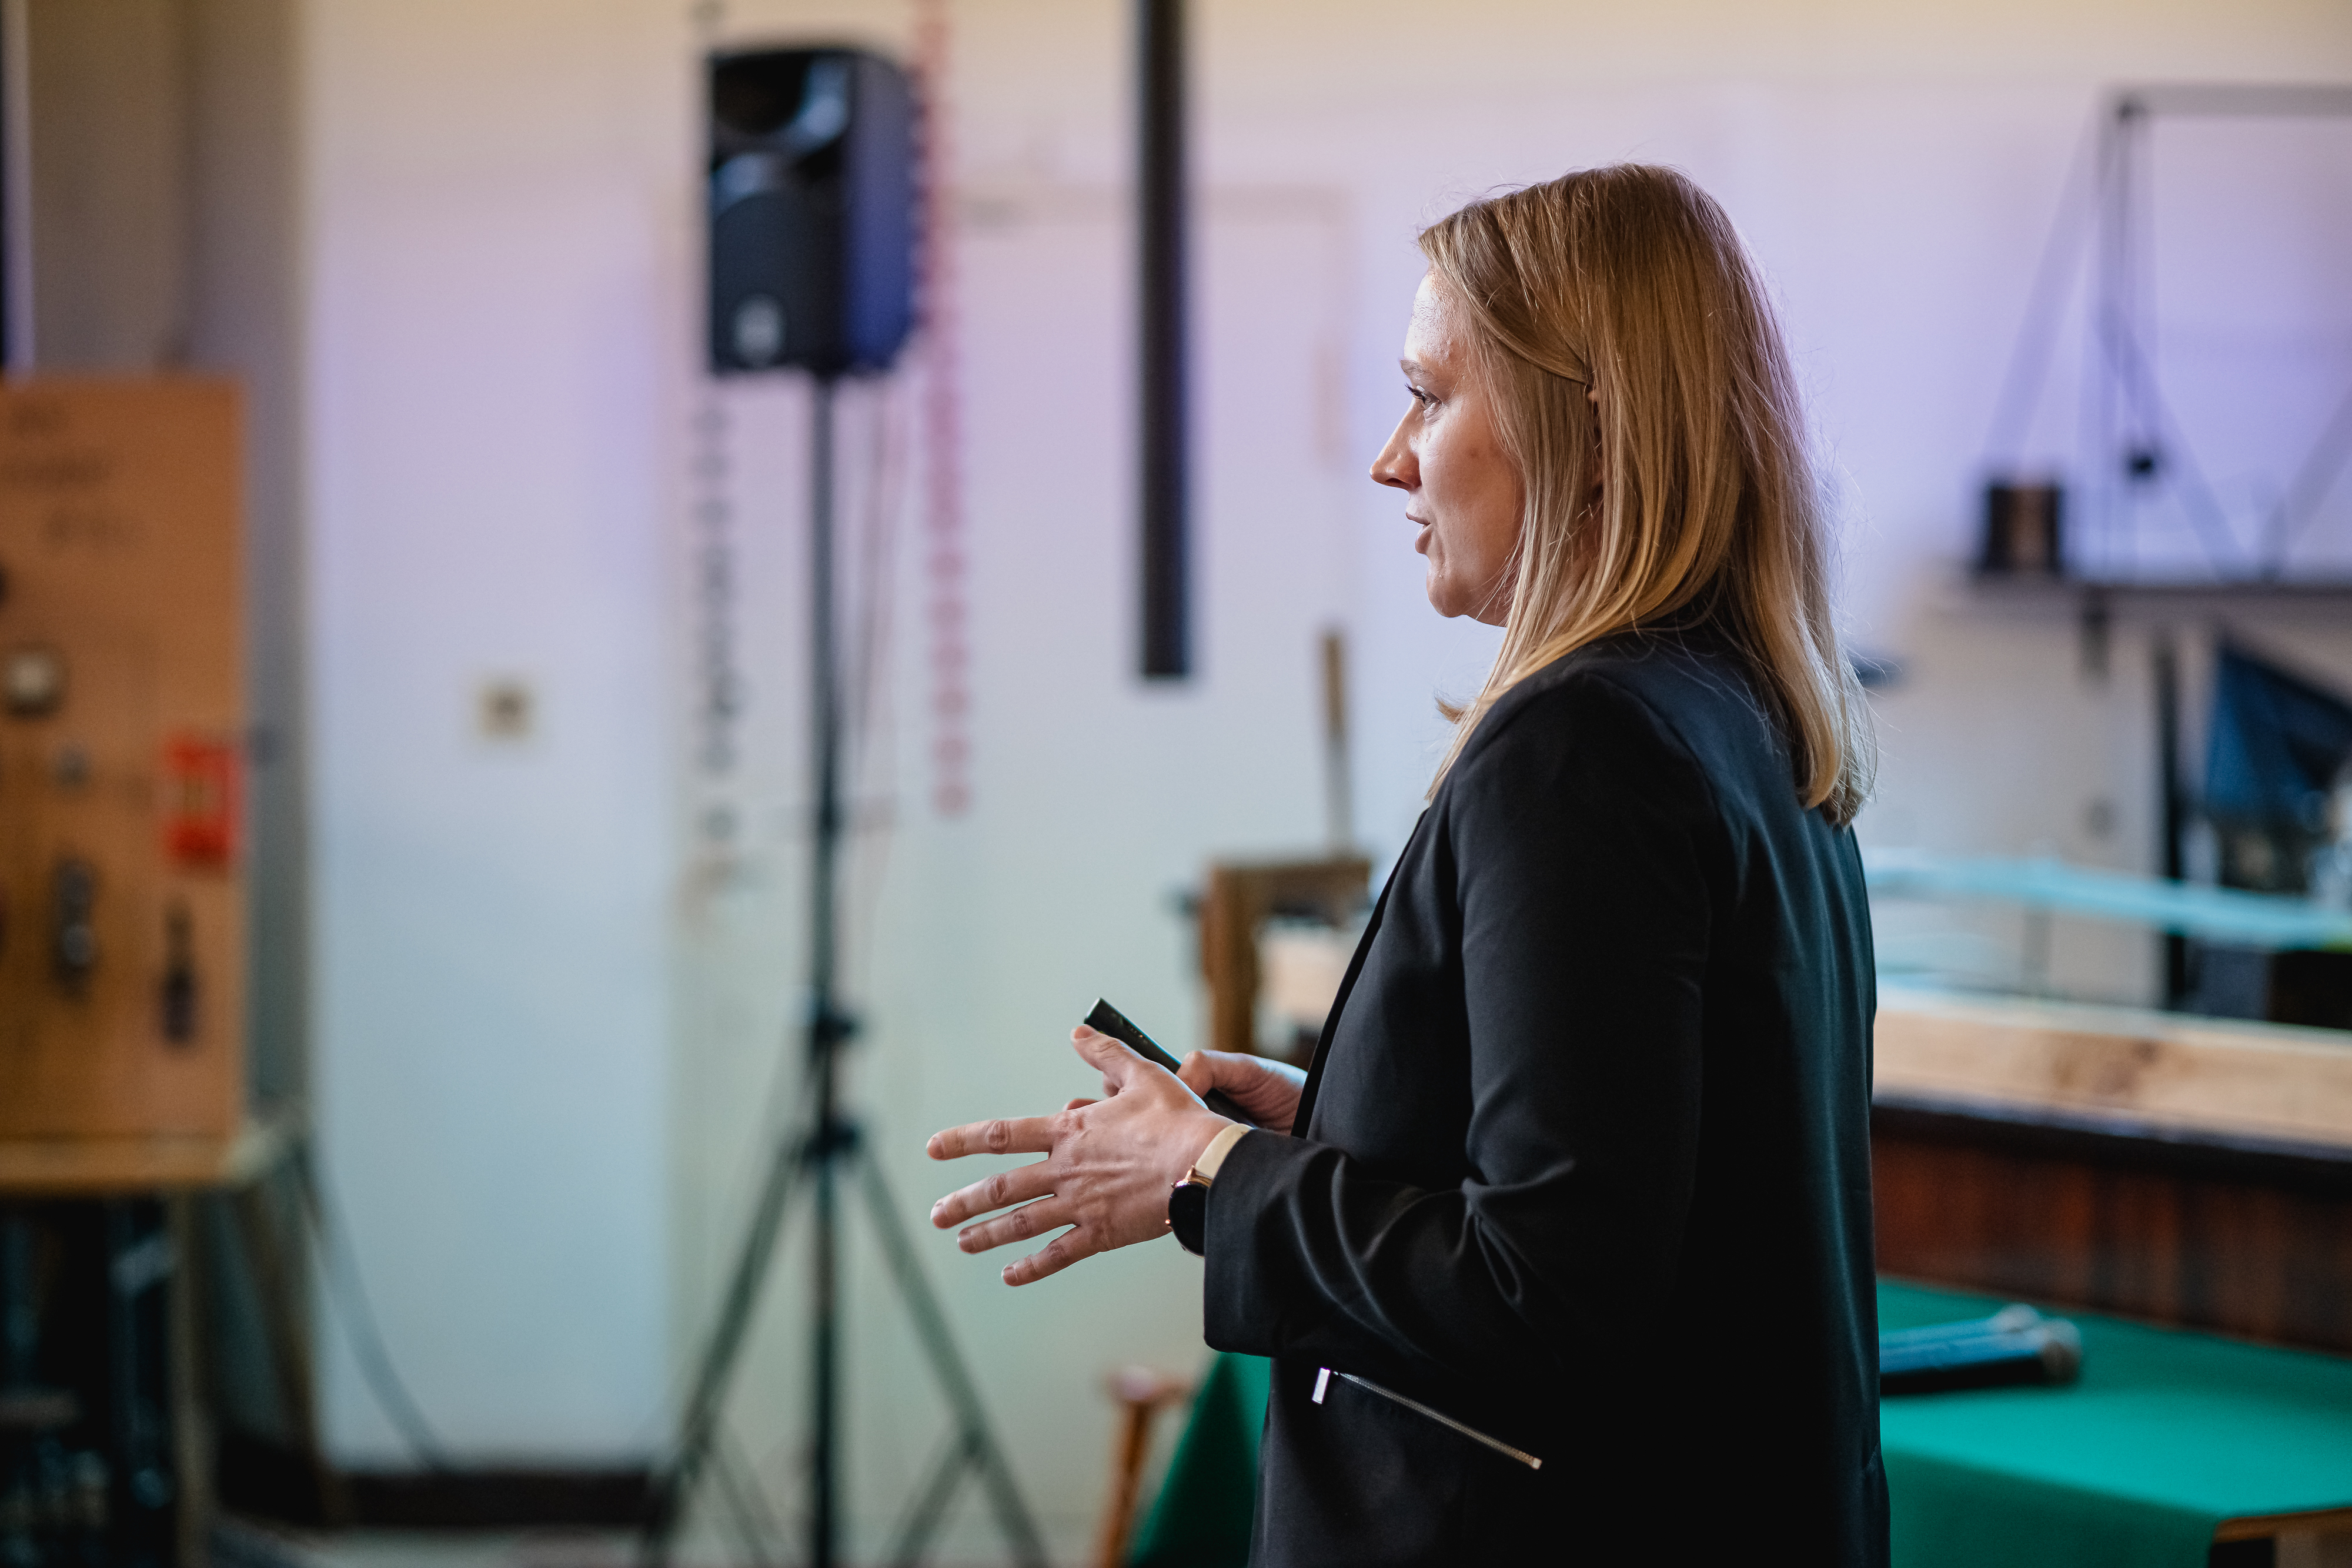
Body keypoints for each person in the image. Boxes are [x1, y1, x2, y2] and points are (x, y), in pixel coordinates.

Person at [926, 163, 1886, 1566]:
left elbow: (1541, 1288)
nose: (1389, 458)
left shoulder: (1578, 747)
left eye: (1429, 397)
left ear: (1589, 429)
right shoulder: (1745, 716)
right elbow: (1651, 1189)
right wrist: (1342, 1121)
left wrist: (1210, 1167)